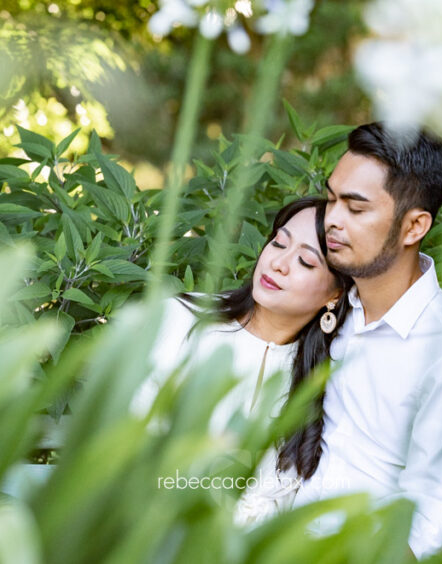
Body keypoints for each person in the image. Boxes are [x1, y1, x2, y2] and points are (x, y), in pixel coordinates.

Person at [292, 123, 442, 557]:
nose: (331, 219)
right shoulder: (331, 306)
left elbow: (429, 522)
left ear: (413, 227)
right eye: (332, 199)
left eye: (356, 208)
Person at [134, 196, 352, 523]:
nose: (279, 263)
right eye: (279, 243)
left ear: (335, 295)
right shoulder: (182, 322)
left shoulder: (329, 377)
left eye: (306, 261)